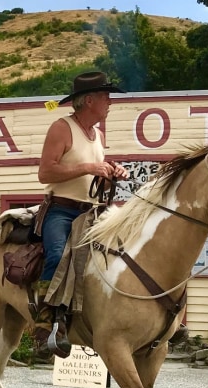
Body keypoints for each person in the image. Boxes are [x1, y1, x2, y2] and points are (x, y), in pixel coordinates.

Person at [34, 71, 128, 358]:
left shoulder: (97, 135)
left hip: (92, 211)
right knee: (57, 253)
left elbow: (94, 176)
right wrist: (89, 168)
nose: (110, 102)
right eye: (105, 97)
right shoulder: (61, 128)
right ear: (89, 100)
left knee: (121, 250)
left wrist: (112, 173)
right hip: (62, 209)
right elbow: (45, 172)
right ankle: (44, 323)